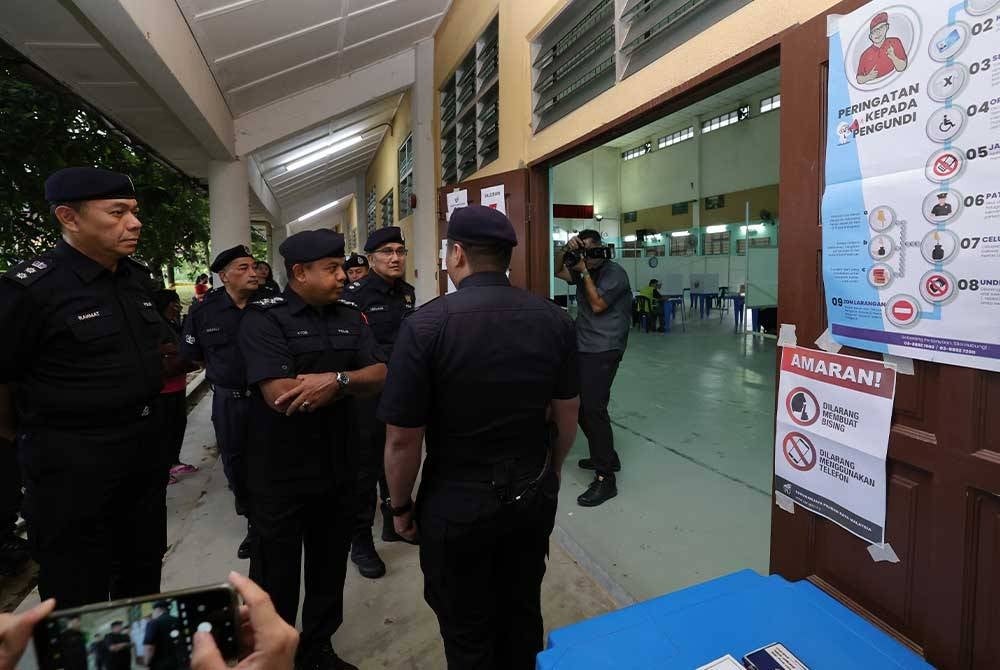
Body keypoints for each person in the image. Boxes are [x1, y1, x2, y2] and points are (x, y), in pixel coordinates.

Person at [380, 205, 580, 669]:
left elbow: (402, 440)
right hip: (530, 496)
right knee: (522, 610)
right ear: (507, 257)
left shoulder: (426, 326)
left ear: (457, 254)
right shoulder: (553, 320)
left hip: (456, 501)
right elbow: (567, 413)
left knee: (466, 628)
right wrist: (550, 471)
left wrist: (401, 507)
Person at [0, 167, 168, 607]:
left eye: (134, 211)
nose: (134, 223)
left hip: (142, 457)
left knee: (142, 577)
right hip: (71, 468)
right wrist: (17, 434)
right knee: (78, 593)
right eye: (117, 213)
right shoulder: (31, 289)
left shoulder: (135, 279)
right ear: (69, 218)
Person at [238, 229, 387, 670]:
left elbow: (380, 371)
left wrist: (335, 381)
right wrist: (349, 380)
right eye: (333, 269)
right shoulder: (264, 319)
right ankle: (273, 652)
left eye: (343, 267)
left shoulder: (351, 314)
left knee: (328, 566)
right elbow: (280, 394)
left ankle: (318, 646)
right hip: (279, 472)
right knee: (275, 570)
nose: (344, 276)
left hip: (339, 464)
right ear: (300, 273)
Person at [340, 227, 415, 579]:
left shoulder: (407, 294)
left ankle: (394, 523)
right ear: (371, 259)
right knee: (364, 468)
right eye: (386, 252)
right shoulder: (353, 296)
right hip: (366, 396)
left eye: (400, 251)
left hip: (400, 390)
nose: (395, 257)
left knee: (396, 458)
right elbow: (359, 349)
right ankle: (360, 542)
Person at [182, 246, 262, 559]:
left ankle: (267, 522)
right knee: (236, 462)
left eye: (253, 267)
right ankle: (252, 519)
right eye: (243, 268)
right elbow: (193, 355)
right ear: (224, 276)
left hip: (270, 398)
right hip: (230, 402)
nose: (252, 273)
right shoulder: (204, 310)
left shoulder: (271, 304)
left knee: (274, 459)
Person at [554, 229, 632, 507]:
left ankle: (605, 477)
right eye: (584, 250)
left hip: (606, 347)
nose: (590, 255)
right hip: (584, 345)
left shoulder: (614, 273)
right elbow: (557, 272)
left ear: (603, 248)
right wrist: (566, 250)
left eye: (593, 249)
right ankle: (606, 455)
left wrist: (584, 270)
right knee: (578, 405)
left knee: (592, 408)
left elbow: (598, 304)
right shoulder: (580, 267)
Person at [155, 289, 199, 484]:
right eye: (174, 302)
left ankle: (174, 461)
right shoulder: (155, 325)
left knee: (178, 425)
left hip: (178, 384)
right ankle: (162, 469)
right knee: (163, 430)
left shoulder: (176, 323)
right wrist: (177, 349)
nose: (178, 306)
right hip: (162, 388)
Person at [856, 12, 908, 84]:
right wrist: (868, 77)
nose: (878, 33)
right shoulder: (865, 55)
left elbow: (902, 67)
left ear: (887, 28)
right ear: (870, 36)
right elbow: (859, 79)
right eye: (874, 31)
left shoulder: (894, 42)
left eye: (881, 28)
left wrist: (893, 57)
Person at [144, 602, 185, 670]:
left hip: (160, 665)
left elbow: (149, 647)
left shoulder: (153, 623)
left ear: (158, 609)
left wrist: (147, 662)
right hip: (178, 662)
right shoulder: (177, 620)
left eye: (153, 611)